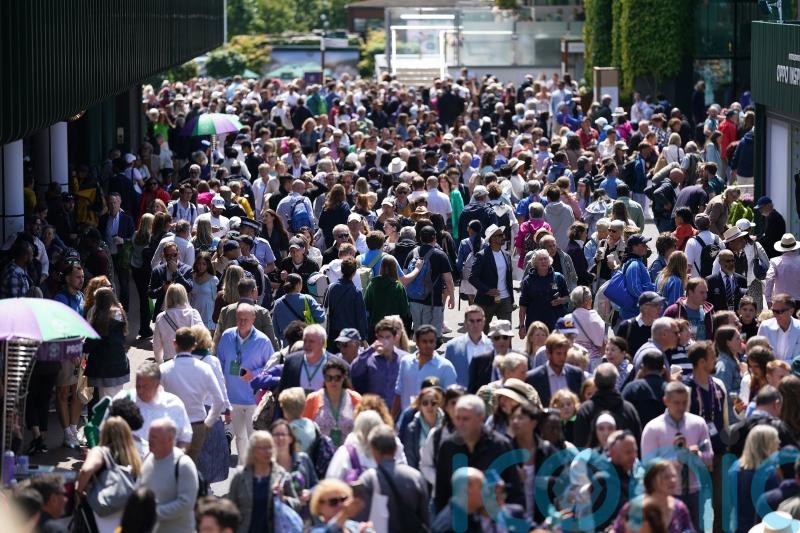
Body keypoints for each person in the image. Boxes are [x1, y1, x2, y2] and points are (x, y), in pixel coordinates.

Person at [641, 381, 713, 528]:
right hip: (666, 494)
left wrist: (696, 456)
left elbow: (709, 457)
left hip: (695, 491)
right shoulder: (653, 428)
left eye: (684, 403)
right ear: (665, 401)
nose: (681, 407)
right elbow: (648, 465)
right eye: (676, 403)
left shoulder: (698, 424)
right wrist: (677, 460)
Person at [433, 395, 522, 513]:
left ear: (481, 418)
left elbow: (514, 489)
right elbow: (442, 491)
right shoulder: (448, 447)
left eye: (465, 419)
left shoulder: (500, 446)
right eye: (457, 418)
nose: (460, 423)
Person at [216, 303, 274, 463]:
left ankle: (254, 470)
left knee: (253, 438)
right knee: (240, 438)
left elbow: (271, 368)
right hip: (232, 398)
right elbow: (220, 364)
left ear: (253, 319)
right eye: (239, 319)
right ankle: (243, 468)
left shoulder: (263, 341)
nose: (241, 322)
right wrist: (222, 397)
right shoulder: (227, 336)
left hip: (253, 399)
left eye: (245, 319)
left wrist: (254, 374)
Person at [159, 327, 225, 461]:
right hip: (197, 425)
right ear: (194, 345)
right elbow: (219, 400)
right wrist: (208, 423)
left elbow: (156, 399)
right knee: (191, 465)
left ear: (174, 343)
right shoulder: (205, 369)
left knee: (171, 465)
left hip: (172, 425)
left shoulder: (163, 369)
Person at [353, 424, 431, 532]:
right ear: (395, 449)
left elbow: (358, 520)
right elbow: (426, 517)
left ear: (373, 450)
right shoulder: (416, 477)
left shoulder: (368, 479)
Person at [75, 417, 142, 533]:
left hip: (101, 512)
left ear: (104, 432)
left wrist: (79, 491)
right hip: (126, 512)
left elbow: (85, 471)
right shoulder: (134, 455)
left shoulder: (100, 451)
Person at [226, 430, 300, 533]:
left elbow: (297, 504)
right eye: (263, 448)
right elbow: (230, 507)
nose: (268, 451)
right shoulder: (240, 476)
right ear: (253, 451)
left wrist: (283, 498)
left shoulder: (281, 475)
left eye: (270, 447)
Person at [137, 417, 199, 533]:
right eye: (150, 436)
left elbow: (186, 503)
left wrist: (153, 513)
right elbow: (139, 488)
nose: (150, 440)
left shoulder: (183, 465)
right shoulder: (148, 459)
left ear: (170, 439)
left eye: (154, 437)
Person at [610, 460, 695, 533]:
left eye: (673, 476)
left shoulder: (679, 507)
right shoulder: (636, 507)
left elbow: (690, 530)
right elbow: (616, 530)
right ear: (652, 480)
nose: (672, 480)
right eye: (666, 477)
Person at [573, 363, 641, 448]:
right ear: (616, 381)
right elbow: (637, 442)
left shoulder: (585, 410)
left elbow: (579, 443)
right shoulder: (628, 410)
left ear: (595, 382)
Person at [393, 325, 457, 416]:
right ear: (417, 342)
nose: (428, 345)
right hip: (406, 420)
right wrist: (392, 418)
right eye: (424, 341)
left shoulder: (446, 367)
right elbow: (399, 392)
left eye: (431, 341)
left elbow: (451, 400)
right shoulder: (405, 362)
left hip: (433, 421)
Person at [404, 225, 455, 335]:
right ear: (434, 238)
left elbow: (405, 275)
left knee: (418, 333)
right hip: (433, 301)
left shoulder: (412, 253)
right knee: (433, 336)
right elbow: (448, 280)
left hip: (414, 300)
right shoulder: (440, 255)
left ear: (420, 238)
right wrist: (452, 297)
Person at [729, 425, 781, 533]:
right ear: (766, 445)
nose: (779, 443)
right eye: (775, 439)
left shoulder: (734, 469)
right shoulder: (771, 473)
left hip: (738, 528)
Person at [303, 358, 362, 447]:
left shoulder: (356, 399)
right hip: (321, 452)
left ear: (344, 377)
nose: (333, 381)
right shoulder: (313, 399)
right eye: (329, 378)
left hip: (348, 452)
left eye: (337, 378)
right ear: (324, 378)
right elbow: (305, 430)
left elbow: (363, 430)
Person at [84, 287, 131, 398]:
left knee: (106, 402)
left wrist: (75, 347)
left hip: (105, 369)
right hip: (120, 365)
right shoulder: (120, 315)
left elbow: (89, 345)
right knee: (117, 398)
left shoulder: (100, 321)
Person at [468, 224, 514, 329]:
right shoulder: (482, 255)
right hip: (486, 300)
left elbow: (509, 279)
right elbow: (472, 278)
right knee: (482, 331)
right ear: (492, 238)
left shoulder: (507, 255)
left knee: (506, 332)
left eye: (503, 234)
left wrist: (511, 300)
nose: (503, 237)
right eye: (500, 235)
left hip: (505, 299)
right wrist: (487, 290)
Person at [525, 333, 585, 407]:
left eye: (565, 353)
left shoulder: (576, 374)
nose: (562, 357)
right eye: (558, 354)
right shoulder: (533, 378)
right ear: (548, 353)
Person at [519, 249, 569, 334]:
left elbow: (567, 297)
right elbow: (523, 305)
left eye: (545, 259)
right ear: (535, 262)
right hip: (535, 325)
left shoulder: (558, 277)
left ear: (549, 261)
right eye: (540, 259)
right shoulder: (528, 280)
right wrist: (521, 326)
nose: (543, 261)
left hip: (555, 324)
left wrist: (561, 300)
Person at [99, 192, 135, 309]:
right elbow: (99, 236)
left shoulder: (127, 219)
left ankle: (124, 309)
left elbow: (133, 238)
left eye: (115, 202)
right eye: (110, 203)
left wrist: (123, 240)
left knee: (124, 284)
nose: (113, 205)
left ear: (119, 203)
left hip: (121, 256)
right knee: (107, 283)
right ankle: (109, 307)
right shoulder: (103, 219)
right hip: (108, 256)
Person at [324, 256, 368, 351]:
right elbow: (361, 317)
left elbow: (325, 309)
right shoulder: (356, 293)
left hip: (332, 335)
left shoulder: (330, 288)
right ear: (354, 272)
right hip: (350, 336)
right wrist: (363, 338)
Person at [443, 305, 493, 388]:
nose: (475, 324)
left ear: (484, 322)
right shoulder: (452, 347)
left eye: (479, 320)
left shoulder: (493, 346)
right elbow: (446, 375)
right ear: (465, 323)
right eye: (471, 321)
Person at [363, 255, 413, 337]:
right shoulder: (398, 287)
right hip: (393, 329)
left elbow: (366, 304)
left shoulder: (372, 285)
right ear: (395, 268)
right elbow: (404, 310)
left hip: (375, 328)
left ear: (381, 267)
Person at [152, 283, 204, 363]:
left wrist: (159, 361)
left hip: (170, 361)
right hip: (191, 359)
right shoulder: (193, 314)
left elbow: (157, 345)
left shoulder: (161, 317)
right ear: (184, 296)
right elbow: (203, 336)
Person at [272, 273, 325, 347]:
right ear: (297, 285)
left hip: (287, 345)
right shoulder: (307, 299)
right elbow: (321, 318)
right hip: (306, 342)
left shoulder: (278, 303)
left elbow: (275, 328)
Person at [622, 348, 669, 428]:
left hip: (637, 433)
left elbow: (623, 410)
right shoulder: (669, 389)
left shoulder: (632, 388)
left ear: (642, 367)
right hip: (663, 432)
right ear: (663, 369)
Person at [148, 241, 194, 317]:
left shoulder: (187, 269)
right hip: (163, 312)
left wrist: (176, 272)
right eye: (168, 255)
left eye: (174, 255)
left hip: (182, 313)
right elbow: (151, 293)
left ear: (178, 254)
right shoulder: (157, 271)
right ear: (164, 255)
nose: (171, 258)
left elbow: (189, 288)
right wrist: (162, 289)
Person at [618, 234, 657, 320]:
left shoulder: (636, 262)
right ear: (634, 247)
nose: (646, 247)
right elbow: (635, 289)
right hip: (634, 314)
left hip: (635, 312)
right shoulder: (634, 265)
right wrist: (649, 301)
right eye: (643, 245)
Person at [570, 286, 608, 369]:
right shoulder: (593, 317)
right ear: (586, 301)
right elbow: (602, 344)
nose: (592, 300)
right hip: (593, 361)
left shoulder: (567, 319)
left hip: (573, 361)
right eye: (591, 298)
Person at [616, 291, 664, 355]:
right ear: (644, 307)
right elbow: (617, 352)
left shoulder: (659, 328)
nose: (660, 308)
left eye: (660, 305)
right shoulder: (626, 326)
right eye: (656, 305)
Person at [757, 294, 800, 361]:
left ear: (791, 311)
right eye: (773, 311)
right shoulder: (765, 326)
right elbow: (758, 352)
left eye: (779, 311)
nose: (775, 315)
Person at [706, 247, 747, 312]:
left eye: (733, 260)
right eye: (728, 261)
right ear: (720, 262)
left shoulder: (742, 280)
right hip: (719, 316)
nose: (731, 263)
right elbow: (707, 304)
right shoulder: (710, 281)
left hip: (736, 316)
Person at [766, 234, 800, 306]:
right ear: (795, 248)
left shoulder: (774, 261)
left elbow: (769, 278)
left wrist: (768, 299)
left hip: (781, 301)